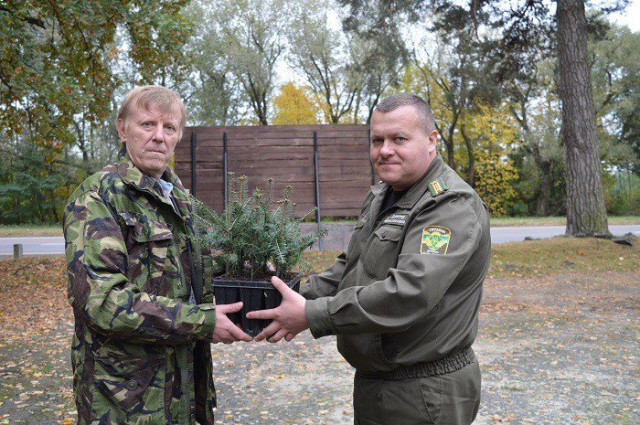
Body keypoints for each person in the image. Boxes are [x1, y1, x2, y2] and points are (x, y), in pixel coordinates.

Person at [248, 93, 491, 424]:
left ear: (431, 140)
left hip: (424, 389)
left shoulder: (448, 205)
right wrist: (283, 295)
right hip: (379, 383)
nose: (385, 150)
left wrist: (312, 314)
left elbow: (409, 293)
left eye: (399, 139)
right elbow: (350, 268)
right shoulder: (382, 195)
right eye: (377, 140)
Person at [63, 85, 252, 425]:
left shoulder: (179, 199)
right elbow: (102, 302)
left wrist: (250, 267)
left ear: (178, 136)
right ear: (123, 130)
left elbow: (189, 270)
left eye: (169, 127)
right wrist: (202, 321)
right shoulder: (98, 197)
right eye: (147, 124)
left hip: (184, 392)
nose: (159, 137)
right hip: (125, 402)